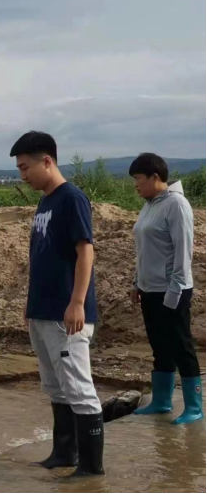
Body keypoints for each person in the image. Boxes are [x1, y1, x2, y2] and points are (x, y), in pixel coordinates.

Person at [10, 131, 105, 477]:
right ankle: (64, 452)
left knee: (79, 388)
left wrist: (77, 302)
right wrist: (32, 309)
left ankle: (92, 468)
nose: (22, 175)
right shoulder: (45, 201)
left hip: (67, 314)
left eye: (25, 167)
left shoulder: (71, 199)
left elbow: (86, 250)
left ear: (46, 161)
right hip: (43, 311)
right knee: (55, 386)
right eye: (19, 169)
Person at [130, 153, 203, 425]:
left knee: (180, 345)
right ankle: (161, 401)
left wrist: (173, 294)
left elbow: (183, 252)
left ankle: (194, 407)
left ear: (155, 178)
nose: (135, 185)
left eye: (138, 179)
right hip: (150, 290)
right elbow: (144, 250)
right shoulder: (149, 205)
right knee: (160, 346)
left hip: (173, 290)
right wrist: (137, 282)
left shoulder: (176, 204)